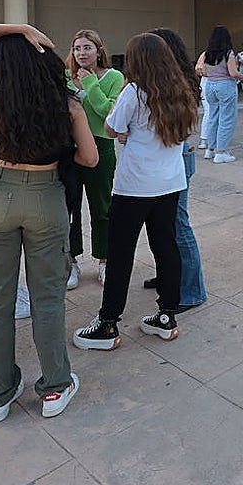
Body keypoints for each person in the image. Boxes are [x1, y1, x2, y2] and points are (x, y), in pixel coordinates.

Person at [0, 21, 97, 425]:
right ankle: (54, 385)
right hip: (45, 197)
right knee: (47, 300)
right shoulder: (67, 105)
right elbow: (90, 159)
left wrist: (17, 27)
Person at [73, 33, 199, 350]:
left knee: (120, 254)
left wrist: (128, 132)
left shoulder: (134, 92)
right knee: (165, 247)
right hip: (170, 184)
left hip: (134, 187)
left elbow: (112, 128)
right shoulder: (180, 91)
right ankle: (166, 315)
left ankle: (108, 322)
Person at [144, 27, 207, 310]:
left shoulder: (179, 84)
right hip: (167, 159)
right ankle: (168, 275)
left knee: (178, 224)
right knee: (161, 224)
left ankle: (192, 291)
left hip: (177, 158)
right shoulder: (165, 81)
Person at [63, 30, 123, 287]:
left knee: (102, 207)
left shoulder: (113, 77)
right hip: (69, 148)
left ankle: (105, 260)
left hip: (101, 145)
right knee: (68, 207)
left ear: (99, 51)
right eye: (77, 48)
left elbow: (107, 113)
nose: (82, 53)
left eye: (87, 48)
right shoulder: (65, 77)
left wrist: (89, 83)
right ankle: (71, 262)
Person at [196, 25, 243, 162]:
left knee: (213, 117)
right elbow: (233, 73)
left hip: (210, 86)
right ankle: (221, 152)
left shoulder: (207, 53)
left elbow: (204, 71)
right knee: (226, 119)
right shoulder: (228, 53)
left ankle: (210, 149)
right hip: (225, 86)